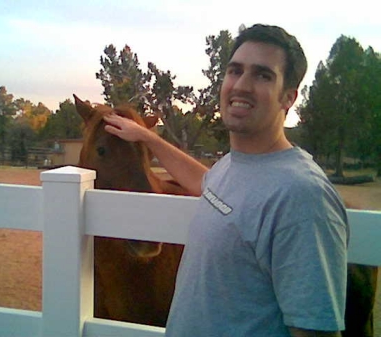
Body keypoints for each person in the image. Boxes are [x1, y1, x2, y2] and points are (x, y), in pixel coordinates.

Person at [103, 24, 348, 337]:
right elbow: (205, 183)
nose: (241, 86)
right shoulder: (232, 168)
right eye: (235, 71)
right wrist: (146, 137)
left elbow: (315, 331)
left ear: (289, 97)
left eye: (262, 75)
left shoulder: (302, 197)